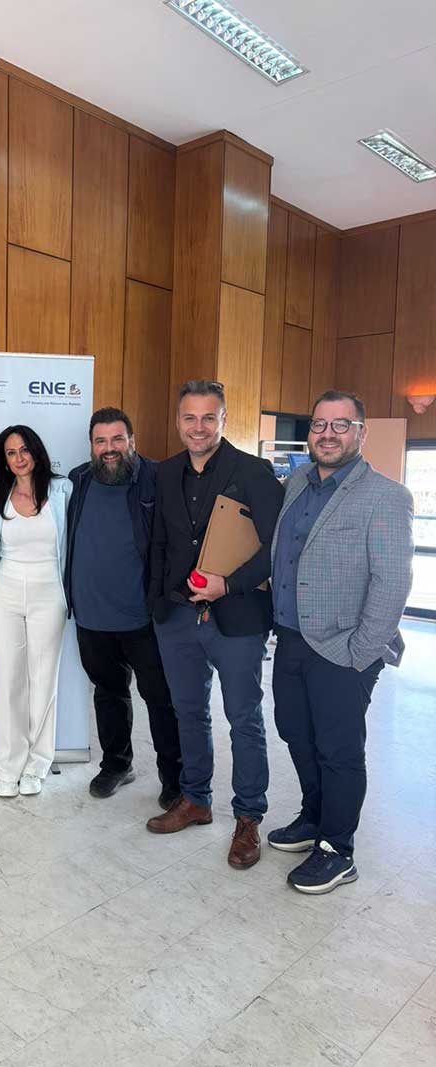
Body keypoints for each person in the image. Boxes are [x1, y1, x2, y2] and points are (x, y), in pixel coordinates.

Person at [269, 391, 414, 894]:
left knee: (339, 750)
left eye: (340, 425)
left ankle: (337, 849)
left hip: (343, 649)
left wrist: (361, 652)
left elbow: (392, 582)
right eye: (319, 424)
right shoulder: (296, 485)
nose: (327, 434)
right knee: (295, 733)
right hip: (291, 637)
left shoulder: (387, 497)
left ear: (360, 433)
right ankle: (313, 817)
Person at [146, 381, 284, 870]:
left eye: (209, 417)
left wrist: (230, 585)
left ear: (223, 420)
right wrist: (158, 602)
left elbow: (275, 547)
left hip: (237, 617)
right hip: (178, 617)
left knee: (244, 719)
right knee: (188, 712)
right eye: (190, 417)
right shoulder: (165, 472)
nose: (199, 427)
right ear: (178, 422)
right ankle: (196, 799)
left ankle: (248, 818)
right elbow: (159, 542)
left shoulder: (253, 472)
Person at [65, 407, 182, 807]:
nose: (109, 448)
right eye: (101, 441)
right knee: (108, 692)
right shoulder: (78, 481)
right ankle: (116, 764)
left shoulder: (156, 477)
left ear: (132, 441)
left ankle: (174, 777)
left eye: (117, 439)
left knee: (160, 699)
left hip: (143, 618)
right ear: (91, 446)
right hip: (91, 616)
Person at [0, 425, 72, 797]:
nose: (18, 458)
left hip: (48, 590)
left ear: (36, 451)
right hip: (5, 591)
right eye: (10, 453)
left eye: (23, 450)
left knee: (43, 680)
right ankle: (8, 767)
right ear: (3, 460)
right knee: (7, 681)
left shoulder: (62, 490)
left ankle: (37, 765)